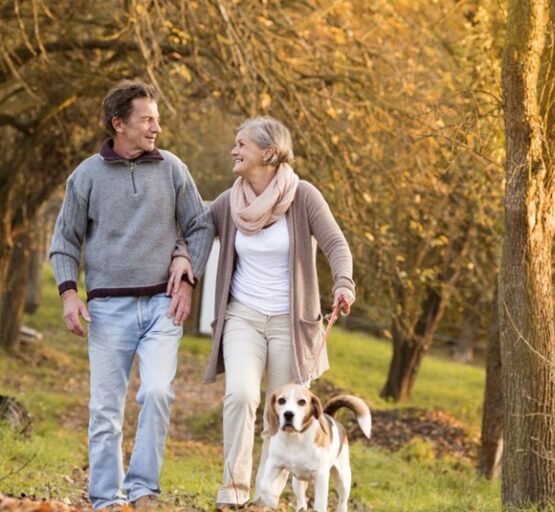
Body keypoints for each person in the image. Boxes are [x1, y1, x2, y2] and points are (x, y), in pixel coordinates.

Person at [170, 116, 354, 508]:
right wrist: (184, 259)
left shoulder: (303, 196)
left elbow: (336, 243)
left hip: (292, 322)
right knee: (240, 395)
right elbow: (198, 229)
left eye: (241, 144)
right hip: (243, 316)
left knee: (283, 410)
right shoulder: (230, 201)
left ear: (267, 153)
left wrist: (343, 282)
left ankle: (265, 493)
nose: (233, 151)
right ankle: (233, 491)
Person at [49, 80, 213, 511]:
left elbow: (200, 225)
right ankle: (107, 499)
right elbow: (64, 241)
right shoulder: (85, 176)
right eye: (147, 119)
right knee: (105, 410)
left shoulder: (174, 168)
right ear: (119, 123)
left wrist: (188, 270)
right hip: (107, 309)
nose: (156, 126)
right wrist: (69, 294)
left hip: (163, 303)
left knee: (158, 393)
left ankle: (142, 490)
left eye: (157, 119)